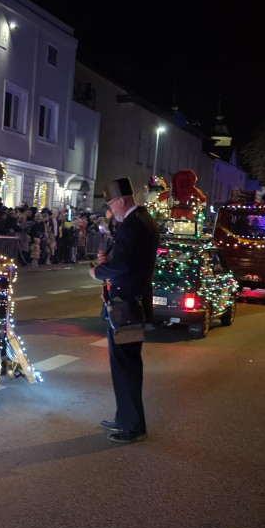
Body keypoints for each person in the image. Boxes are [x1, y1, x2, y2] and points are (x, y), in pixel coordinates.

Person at [89, 177, 160, 444]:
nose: (110, 211)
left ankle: (133, 426)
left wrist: (98, 271)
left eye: (110, 205)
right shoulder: (141, 220)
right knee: (124, 364)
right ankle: (124, 418)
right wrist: (110, 260)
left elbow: (124, 265)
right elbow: (126, 258)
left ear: (121, 200)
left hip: (126, 305)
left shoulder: (135, 224)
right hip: (129, 303)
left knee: (126, 366)